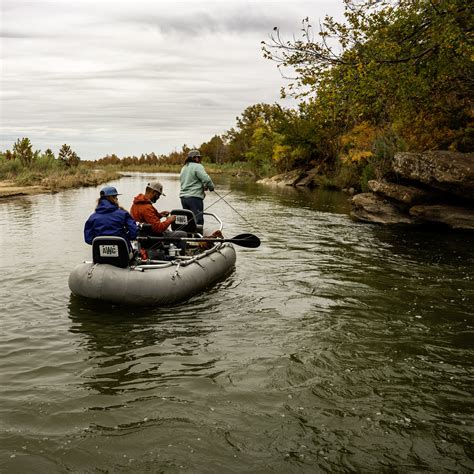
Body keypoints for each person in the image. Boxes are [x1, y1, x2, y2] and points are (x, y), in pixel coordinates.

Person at [130, 181, 187, 254]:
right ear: (154, 192)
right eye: (158, 194)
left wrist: (159, 215)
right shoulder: (147, 207)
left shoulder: (136, 204)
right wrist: (169, 220)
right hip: (151, 238)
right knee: (183, 234)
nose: (159, 197)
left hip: (142, 236)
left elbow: (146, 219)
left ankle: (167, 251)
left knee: (168, 231)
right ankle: (182, 257)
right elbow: (158, 228)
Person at [179, 149, 215, 226]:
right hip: (194, 198)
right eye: (199, 157)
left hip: (183, 198)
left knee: (188, 221)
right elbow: (207, 179)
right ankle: (198, 236)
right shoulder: (198, 166)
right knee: (198, 221)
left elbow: (189, 182)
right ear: (195, 158)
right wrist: (211, 187)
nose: (200, 159)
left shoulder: (184, 167)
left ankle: (189, 236)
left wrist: (202, 186)